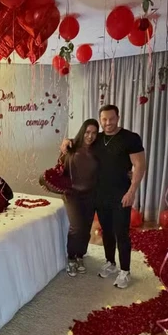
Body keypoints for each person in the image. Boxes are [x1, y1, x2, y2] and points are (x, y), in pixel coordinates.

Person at [61, 104, 146, 288]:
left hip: (122, 194)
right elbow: (79, 141)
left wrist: (132, 191)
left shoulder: (130, 138)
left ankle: (125, 271)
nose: (108, 123)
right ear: (100, 120)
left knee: (121, 233)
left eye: (111, 119)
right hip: (100, 195)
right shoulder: (97, 138)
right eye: (104, 119)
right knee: (107, 232)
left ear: (118, 117)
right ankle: (111, 263)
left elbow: (140, 165)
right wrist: (66, 141)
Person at [59, 119, 100, 277]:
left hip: (90, 194)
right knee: (76, 227)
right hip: (72, 194)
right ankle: (71, 258)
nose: (90, 136)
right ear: (83, 131)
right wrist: (64, 146)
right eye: (87, 132)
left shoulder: (98, 151)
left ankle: (80, 256)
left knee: (86, 227)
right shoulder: (71, 147)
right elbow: (60, 166)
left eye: (94, 133)